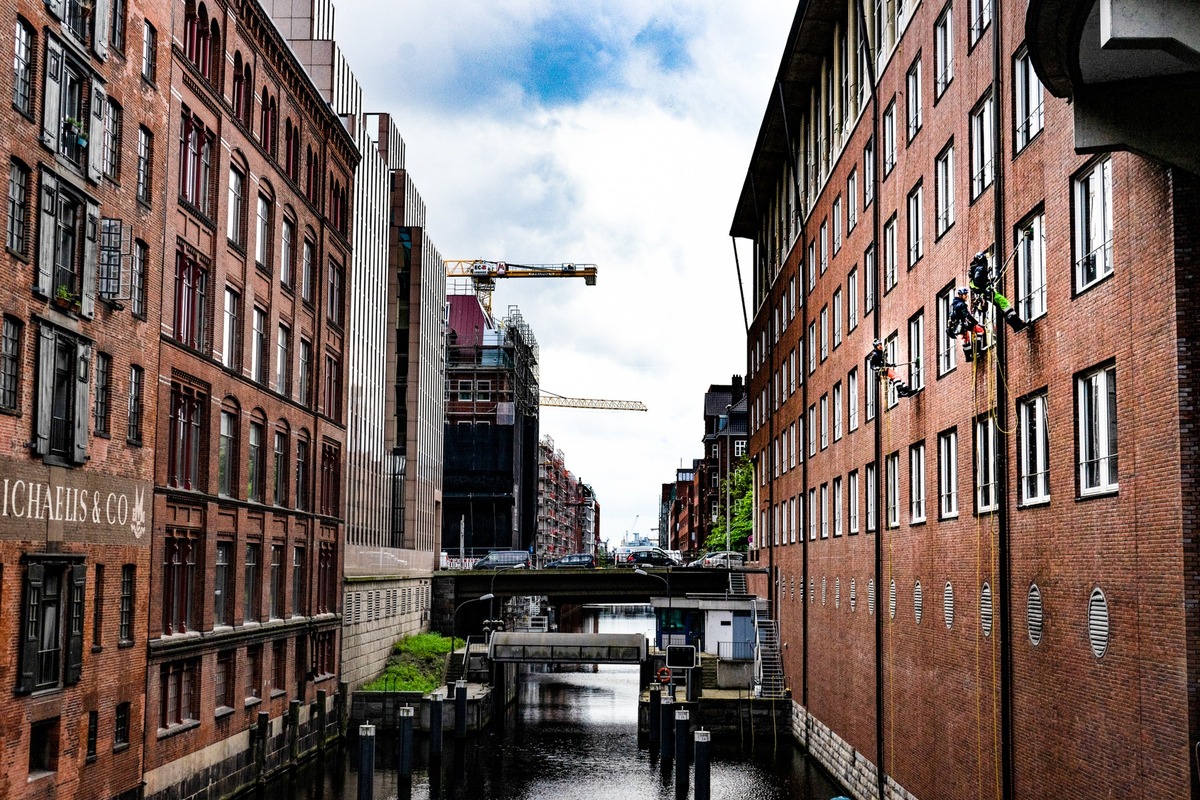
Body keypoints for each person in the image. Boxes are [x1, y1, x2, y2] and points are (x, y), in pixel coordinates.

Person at [968, 252, 1027, 332]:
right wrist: (985, 288)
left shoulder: (975, 269)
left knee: (1002, 308)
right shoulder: (980, 268)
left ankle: (1016, 326)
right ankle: (1018, 323)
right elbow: (978, 280)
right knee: (1004, 303)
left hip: (985, 292)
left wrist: (989, 281)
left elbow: (978, 282)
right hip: (987, 292)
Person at [948, 287, 985, 362]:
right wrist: (976, 322)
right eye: (965, 294)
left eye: (966, 294)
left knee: (965, 338)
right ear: (960, 295)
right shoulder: (961, 304)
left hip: (956, 326)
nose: (966, 296)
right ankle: (977, 350)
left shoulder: (953, 304)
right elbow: (967, 315)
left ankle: (968, 356)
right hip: (962, 324)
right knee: (980, 330)